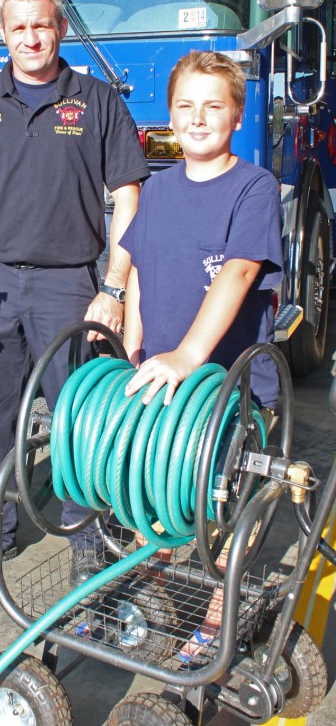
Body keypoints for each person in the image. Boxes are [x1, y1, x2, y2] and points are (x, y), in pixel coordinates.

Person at [0, 0, 150, 583]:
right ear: (2, 31)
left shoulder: (99, 101)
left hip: (71, 285)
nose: (31, 37)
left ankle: (87, 533)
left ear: (62, 28)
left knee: (81, 415)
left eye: (42, 25)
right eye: (18, 26)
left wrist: (114, 286)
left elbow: (127, 196)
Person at [119, 49, 283, 658]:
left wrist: (189, 354)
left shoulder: (254, 187)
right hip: (164, 379)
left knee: (226, 501)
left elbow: (240, 272)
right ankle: (149, 580)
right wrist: (133, 349)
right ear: (169, 116)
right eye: (185, 106)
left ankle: (218, 612)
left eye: (214, 106)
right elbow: (137, 270)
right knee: (157, 486)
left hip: (227, 385)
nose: (198, 117)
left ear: (237, 115)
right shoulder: (157, 190)